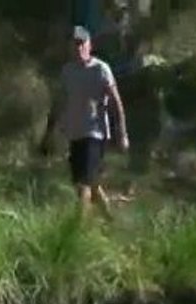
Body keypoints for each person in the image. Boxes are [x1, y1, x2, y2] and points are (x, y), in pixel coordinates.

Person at [41, 25, 129, 219]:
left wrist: (121, 133)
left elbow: (115, 102)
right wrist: (48, 133)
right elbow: (59, 102)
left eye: (81, 43)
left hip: (95, 134)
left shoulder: (101, 69)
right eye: (74, 45)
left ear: (89, 45)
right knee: (89, 182)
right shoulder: (68, 72)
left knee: (83, 186)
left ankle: (77, 233)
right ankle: (110, 220)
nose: (78, 48)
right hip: (75, 134)